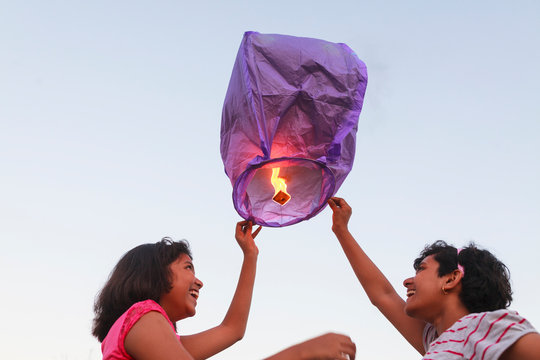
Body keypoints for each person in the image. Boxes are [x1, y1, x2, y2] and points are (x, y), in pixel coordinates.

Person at [92, 220, 356, 360]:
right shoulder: (143, 315)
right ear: (156, 273)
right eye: (188, 268)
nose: (199, 281)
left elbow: (233, 330)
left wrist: (250, 255)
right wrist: (302, 352)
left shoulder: (152, 332)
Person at [327, 197, 540, 360]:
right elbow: (383, 295)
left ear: (450, 279)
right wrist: (341, 230)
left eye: (421, 269)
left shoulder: (484, 327)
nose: (407, 282)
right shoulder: (436, 340)